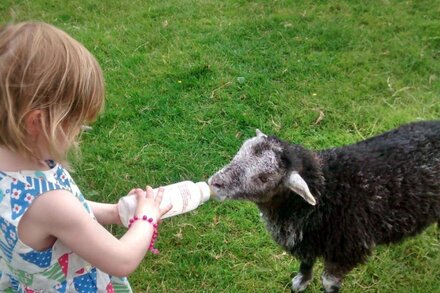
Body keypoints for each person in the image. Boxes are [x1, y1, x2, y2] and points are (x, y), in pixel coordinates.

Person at [0, 21, 172, 292]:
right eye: (75, 123)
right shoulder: (51, 203)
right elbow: (122, 259)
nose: (80, 131)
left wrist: (114, 212)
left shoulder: (15, 166)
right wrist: (146, 218)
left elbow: (66, 215)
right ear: (37, 122)